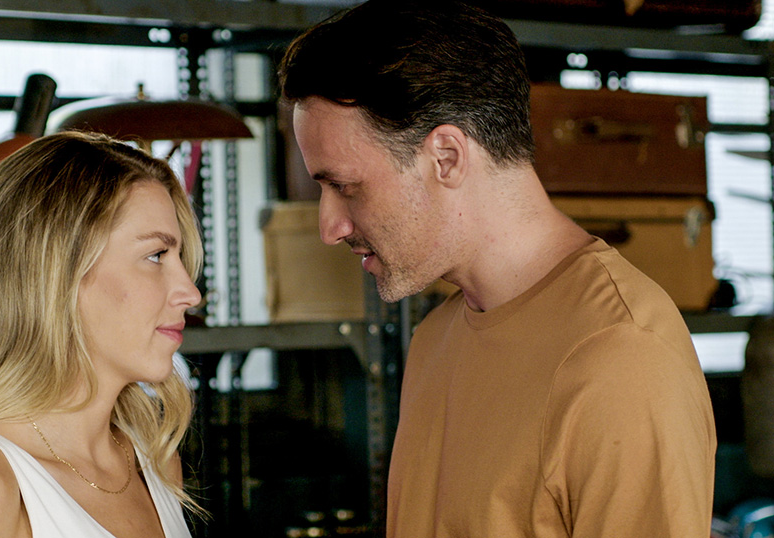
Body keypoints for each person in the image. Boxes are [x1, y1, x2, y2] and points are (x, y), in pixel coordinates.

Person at [278, 1, 717, 536]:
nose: (330, 227)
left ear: (446, 156)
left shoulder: (621, 360)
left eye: (345, 187)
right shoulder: (436, 338)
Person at [0, 131, 204, 537]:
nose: (190, 293)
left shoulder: (154, 463)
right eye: (156, 255)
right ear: (58, 273)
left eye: (179, 258)